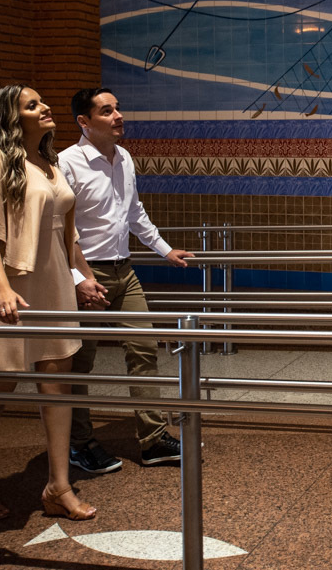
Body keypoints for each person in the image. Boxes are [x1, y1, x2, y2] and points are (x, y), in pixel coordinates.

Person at [0, 84, 97, 521]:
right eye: (32, 105)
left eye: (42, 101)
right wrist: (0, 288)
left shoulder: (51, 164)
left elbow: (67, 233)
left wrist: (85, 276)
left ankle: (58, 486)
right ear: (12, 118)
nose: (45, 107)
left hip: (53, 284)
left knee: (57, 386)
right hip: (12, 284)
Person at [60, 87, 194, 473]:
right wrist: (77, 277)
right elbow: (58, 229)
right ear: (84, 122)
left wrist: (164, 249)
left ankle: (152, 440)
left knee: (144, 348)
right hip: (87, 274)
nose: (118, 116)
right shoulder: (67, 162)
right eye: (107, 111)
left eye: (117, 108)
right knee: (78, 361)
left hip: (124, 270)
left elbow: (134, 213)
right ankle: (80, 444)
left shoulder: (124, 157)